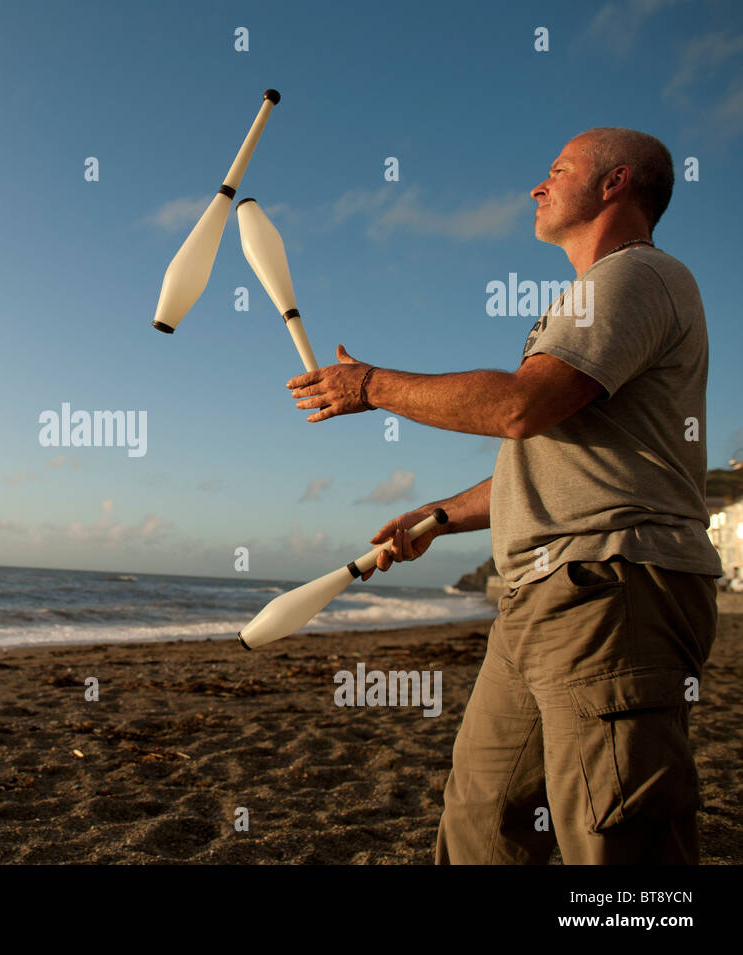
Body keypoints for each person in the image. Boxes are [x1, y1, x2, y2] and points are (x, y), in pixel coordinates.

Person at [287, 127, 723, 864]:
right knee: (483, 824)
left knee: (618, 841)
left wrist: (370, 385)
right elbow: (551, 457)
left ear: (615, 184)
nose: (536, 185)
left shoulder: (636, 278)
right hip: (535, 598)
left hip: (611, 589)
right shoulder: (587, 298)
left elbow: (520, 408)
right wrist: (438, 517)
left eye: (557, 170)